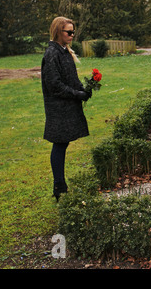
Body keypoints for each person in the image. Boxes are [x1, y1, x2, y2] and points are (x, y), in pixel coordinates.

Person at [41, 17, 92, 201]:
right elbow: (54, 85)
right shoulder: (52, 54)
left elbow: (72, 77)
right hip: (58, 107)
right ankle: (59, 187)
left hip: (66, 104)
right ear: (58, 32)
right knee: (60, 143)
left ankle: (60, 186)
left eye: (73, 32)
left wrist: (84, 89)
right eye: (68, 32)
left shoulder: (64, 51)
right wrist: (76, 94)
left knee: (62, 143)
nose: (72, 35)